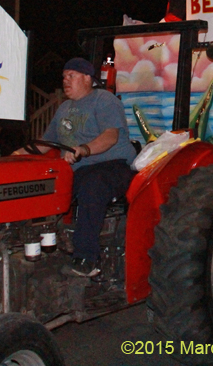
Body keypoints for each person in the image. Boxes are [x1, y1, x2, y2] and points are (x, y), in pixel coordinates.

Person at [22, 57, 136, 277]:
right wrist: (18, 154)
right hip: (78, 170)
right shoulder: (64, 108)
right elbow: (45, 143)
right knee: (40, 186)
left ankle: (87, 259)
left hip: (112, 165)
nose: (66, 81)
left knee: (93, 187)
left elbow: (110, 136)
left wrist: (84, 149)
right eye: (64, 77)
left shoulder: (104, 100)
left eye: (71, 76)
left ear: (87, 78)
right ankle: (39, 247)